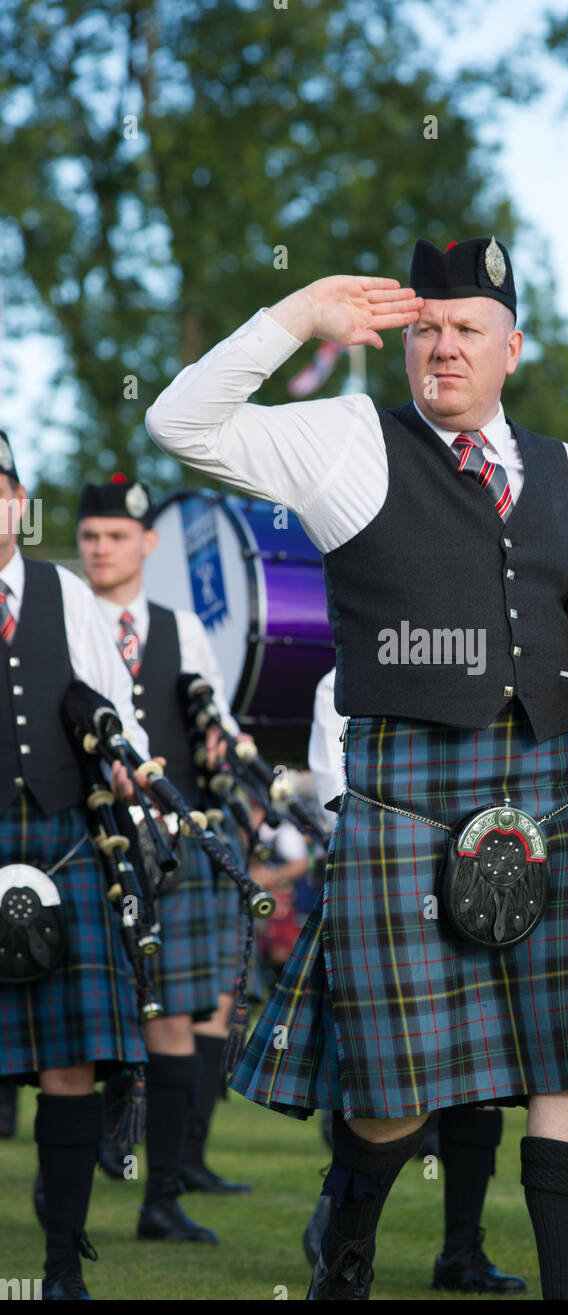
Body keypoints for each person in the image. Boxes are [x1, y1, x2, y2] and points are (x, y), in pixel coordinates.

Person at [145, 237, 568, 1301]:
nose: (442, 348)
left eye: (466, 328)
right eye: (423, 327)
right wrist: (298, 314)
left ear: (510, 346)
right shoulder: (347, 440)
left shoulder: (563, 465)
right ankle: (349, 1234)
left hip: (553, 785)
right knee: (393, 1091)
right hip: (406, 793)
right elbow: (178, 423)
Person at [303, 665, 527, 1293]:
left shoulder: (495, 667)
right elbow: (336, 795)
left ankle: (462, 1250)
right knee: (391, 1075)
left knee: (486, 1075)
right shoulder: (344, 680)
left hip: (484, 874)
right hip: (392, 875)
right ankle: (339, 1230)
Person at [76, 475, 252, 1236]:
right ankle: (72, 1192)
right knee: (77, 1021)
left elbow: (212, 725)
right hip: (82, 844)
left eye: (115, 536)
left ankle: (164, 1197)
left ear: (147, 543)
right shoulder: (56, 615)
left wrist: (230, 754)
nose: (101, 549)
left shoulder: (183, 628)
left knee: (176, 1020)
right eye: (89, 537)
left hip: (170, 851)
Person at [0, 431, 149, 1299]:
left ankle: (62, 1267)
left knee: (70, 1065)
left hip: (61, 842)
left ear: (20, 501)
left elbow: (117, 711)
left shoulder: (64, 593)